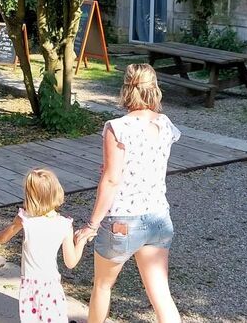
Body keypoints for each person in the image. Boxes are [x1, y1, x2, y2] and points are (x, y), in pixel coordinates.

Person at [79, 64, 181, 323]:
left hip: (123, 220)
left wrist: (92, 224)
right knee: (161, 294)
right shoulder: (165, 124)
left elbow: (112, 179)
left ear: (125, 89)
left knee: (102, 286)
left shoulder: (117, 127)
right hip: (158, 216)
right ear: (154, 89)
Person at [0, 168, 92, 323]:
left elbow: (3, 238)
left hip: (30, 285)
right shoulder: (65, 225)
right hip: (51, 285)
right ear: (57, 192)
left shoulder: (24, 220)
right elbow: (70, 263)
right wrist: (81, 241)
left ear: (30, 197)